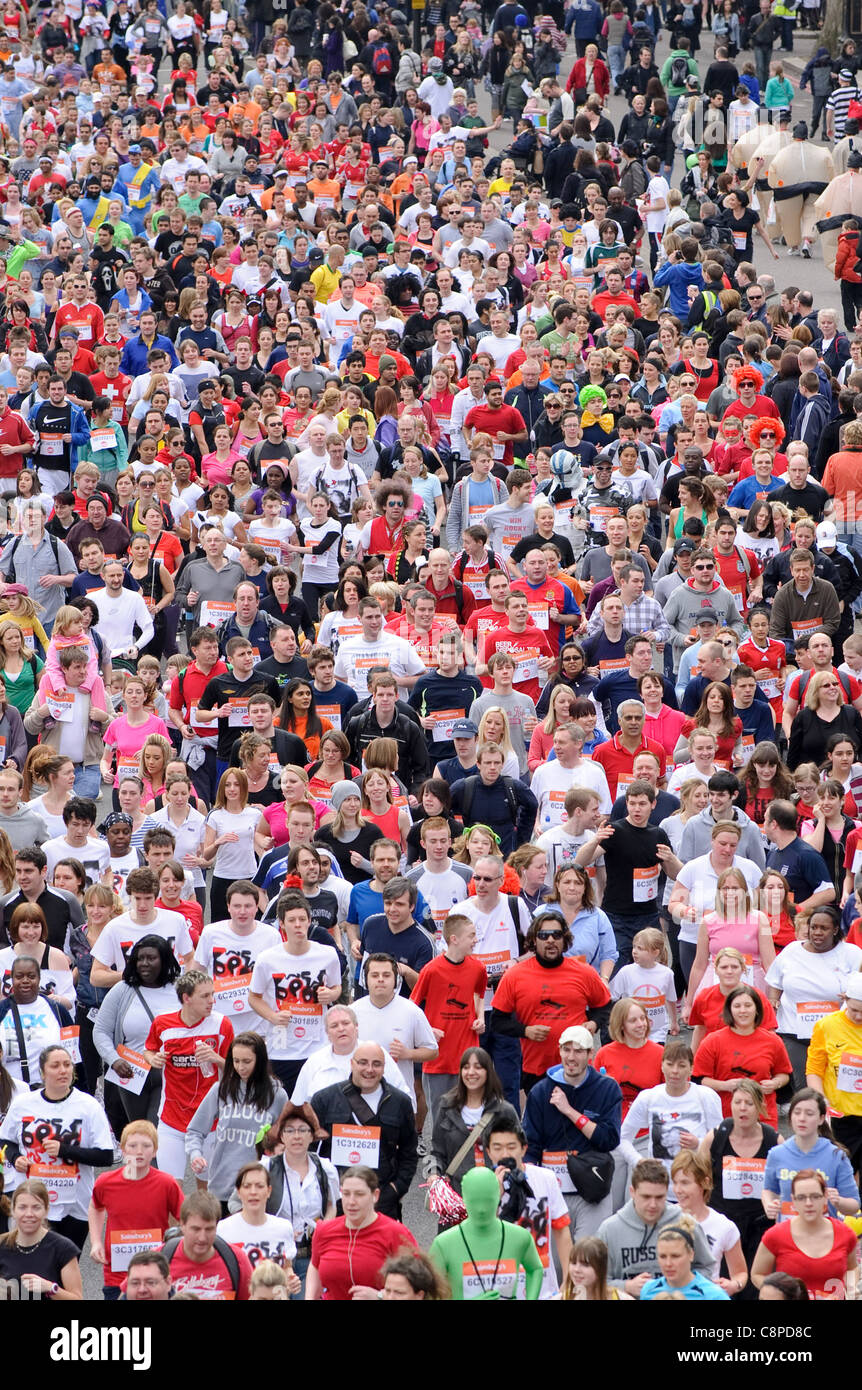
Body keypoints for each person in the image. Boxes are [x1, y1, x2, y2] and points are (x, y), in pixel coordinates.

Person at [0, 1043, 113, 1251]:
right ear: (43, 1073)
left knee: (66, 1268)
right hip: (35, 1202)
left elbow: (106, 1156)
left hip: (75, 1202)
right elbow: (4, 1141)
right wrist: (15, 1157)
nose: (63, 1070)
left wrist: (64, 1151)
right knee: (37, 1267)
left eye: (67, 1065)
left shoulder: (88, 1106)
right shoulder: (23, 1104)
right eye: (55, 1066)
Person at [492, 913, 612, 1090]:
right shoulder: (514, 975)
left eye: (556, 935)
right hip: (535, 1069)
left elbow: (605, 1007)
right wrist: (526, 1031)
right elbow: (497, 1021)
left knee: (578, 1117)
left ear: (565, 939)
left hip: (576, 1066)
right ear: (533, 940)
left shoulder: (584, 972)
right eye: (543, 935)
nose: (550, 940)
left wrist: (594, 1023)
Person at [523, 1026, 622, 1237]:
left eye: (578, 1051)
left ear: (590, 1054)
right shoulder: (540, 1092)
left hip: (593, 1190)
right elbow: (530, 1145)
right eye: (566, 1050)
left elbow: (609, 1140)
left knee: (588, 1260)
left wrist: (570, 1111)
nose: (571, 1057)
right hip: (553, 1191)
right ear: (559, 1051)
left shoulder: (607, 1089)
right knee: (555, 1266)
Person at [575, 779, 682, 969]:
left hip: (648, 915)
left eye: (642, 804)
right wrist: (595, 841)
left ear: (653, 805)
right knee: (613, 970)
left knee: (653, 970)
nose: (636, 809)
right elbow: (580, 862)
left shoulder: (658, 834)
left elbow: (675, 874)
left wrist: (671, 859)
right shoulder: (615, 830)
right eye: (632, 804)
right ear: (626, 804)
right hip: (617, 916)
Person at [142, 968, 234, 1181]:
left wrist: (215, 1058)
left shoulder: (222, 1024)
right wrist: (153, 1059)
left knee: (207, 1187)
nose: (212, 1001)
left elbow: (237, 1068)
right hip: (171, 1119)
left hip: (209, 1120)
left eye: (212, 994)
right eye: (205, 996)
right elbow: (149, 1049)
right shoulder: (163, 1023)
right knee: (171, 1187)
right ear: (186, 998)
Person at [310, 1042, 418, 1220]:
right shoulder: (324, 1099)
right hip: (336, 1201)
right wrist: (323, 1191)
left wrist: (396, 1189)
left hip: (382, 1200)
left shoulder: (400, 1102)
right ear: (352, 1064)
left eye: (376, 1064)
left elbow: (409, 1153)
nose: (369, 1069)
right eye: (363, 1062)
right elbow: (311, 1151)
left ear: (384, 1068)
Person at [186, 1033, 288, 1211]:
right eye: (236, 1061)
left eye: (247, 1061)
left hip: (257, 1189)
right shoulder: (221, 1089)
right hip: (221, 1187)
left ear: (261, 1060)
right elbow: (195, 1130)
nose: (241, 1067)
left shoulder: (277, 1094)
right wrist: (195, 1154)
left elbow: (284, 1140)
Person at [87, 1120, 183, 1301]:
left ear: (155, 1151)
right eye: (132, 1145)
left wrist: (174, 1247)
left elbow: (185, 1218)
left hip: (155, 1272)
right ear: (122, 1150)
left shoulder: (166, 1183)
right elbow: (95, 1206)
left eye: (146, 1146)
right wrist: (95, 1242)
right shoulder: (106, 1182)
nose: (139, 1151)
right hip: (116, 1273)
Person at [597, 1157, 714, 1296]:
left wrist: (677, 1288)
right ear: (632, 1192)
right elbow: (594, 1281)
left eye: (659, 1197)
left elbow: (706, 1268)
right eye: (646, 1197)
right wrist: (626, 1286)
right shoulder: (610, 1230)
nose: (653, 1204)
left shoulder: (685, 1223)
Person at [485, 1115, 573, 1300]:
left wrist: (568, 1278)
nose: (505, 1155)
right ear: (488, 1152)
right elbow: (478, 1233)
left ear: (523, 1149)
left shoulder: (546, 1178)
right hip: (498, 1285)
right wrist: (494, 1195)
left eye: (511, 1147)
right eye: (497, 1148)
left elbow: (561, 1229)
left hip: (543, 1285)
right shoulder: (482, 1184)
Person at [699, 1077, 779, 1277]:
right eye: (738, 1102)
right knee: (724, 1281)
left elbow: (784, 1183)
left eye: (749, 1103)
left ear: (760, 1106)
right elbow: (698, 1176)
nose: (742, 1108)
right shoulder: (716, 1137)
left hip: (759, 1225)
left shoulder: (773, 1140)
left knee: (754, 1283)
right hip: (723, 1222)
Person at [428, 1164, 544, 1300]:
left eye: (488, 1201)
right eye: (474, 1201)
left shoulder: (520, 1238)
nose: (481, 1209)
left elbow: (535, 1269)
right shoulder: (444, 1244)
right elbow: (429, 1293)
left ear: (499, 1196)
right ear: (464, 1198)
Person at [306, 1165, 418, 1301]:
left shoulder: (396, 1233)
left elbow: (417, 1284)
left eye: (359, 1194)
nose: (351, 1202)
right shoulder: (324, 1230)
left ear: (375, 1195)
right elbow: (315, 1266)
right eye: (346, 1194)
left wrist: (380, 1296)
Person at [692, 984, 791, 1128]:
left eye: (748, 1005)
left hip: (763, 1116)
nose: (743, 1011)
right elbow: (698, 1079)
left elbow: (784, 1074)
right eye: (737, 1006)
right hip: (724, 1116)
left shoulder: (773, 1041)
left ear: (757, 1009)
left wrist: (775, 1083)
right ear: (729, 1010)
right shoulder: (712, 1041)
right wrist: (724, 1085)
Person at [620, 1039, 724, 1174]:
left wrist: (698, 1143)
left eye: (681, 1066)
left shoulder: (706, 1096)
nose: (675, 1071)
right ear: (662, 1066)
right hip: (659, 1185)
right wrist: (639, 1161)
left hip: (696, 1183)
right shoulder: (648, 1097)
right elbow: (623, 1138)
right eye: (670, 1064)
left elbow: (721, 1141)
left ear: (691, 1069)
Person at [751, 1169, 858, 1300]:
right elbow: (757, 1274)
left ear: (825, 1197)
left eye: (815, 1196)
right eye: (801, 1197)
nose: (808, 1203)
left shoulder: (846, 1234)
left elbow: (852, 1269)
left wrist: (847, 1291)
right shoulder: (775, 1235)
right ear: (793, 1200)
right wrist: (780, 1294)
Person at [762, 1087, 859, 1222]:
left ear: (821, 1119)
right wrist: (769, 1204)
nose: (802, 1119)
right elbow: (768, 1190)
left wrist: (839, 1201)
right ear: (790, 1116)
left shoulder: (836, 1156)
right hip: (788, 1236)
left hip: (825, 1236)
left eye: (809, 1113)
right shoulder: (777, 1154)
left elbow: (854, 1205)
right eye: (797, 1112)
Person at [805, 971, 862, 1176]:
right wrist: (821, 1099)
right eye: (854, 1010)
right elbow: (814, 1069)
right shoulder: (827, 1025)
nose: (858, 1017)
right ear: (845, 999)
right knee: (840, 1175)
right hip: (840, 1116)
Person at [216, 1163, 301, 1287]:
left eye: (260, 1186)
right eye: (247, 1186)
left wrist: (291, 1281)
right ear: (238, 1192)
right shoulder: (223, 1229)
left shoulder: (283, 1227)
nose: (253, 1192)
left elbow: (287, 1267)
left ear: (269, 1191)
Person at [160, 1190, 253, 1301]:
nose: (202, 1238)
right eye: (196, 1229)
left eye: (209, 1229)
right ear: (182, 1225)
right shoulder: (160, 1259)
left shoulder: (237, 1260)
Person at [0, 1180, 83, 1300]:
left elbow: (77, 1298)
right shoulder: (2, 1244)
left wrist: (50, 1288)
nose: (29, 1214)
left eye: (36, 1208)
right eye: (22, 1207)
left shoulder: (63, 1248)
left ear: (46, 1210)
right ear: (13, 1210)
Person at [641, 1216, 731, 1300]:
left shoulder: (713, 1295)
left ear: (691, 1254)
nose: (668, 1263)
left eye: (675, 1256)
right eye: (663, 1256)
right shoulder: (648, 1290)